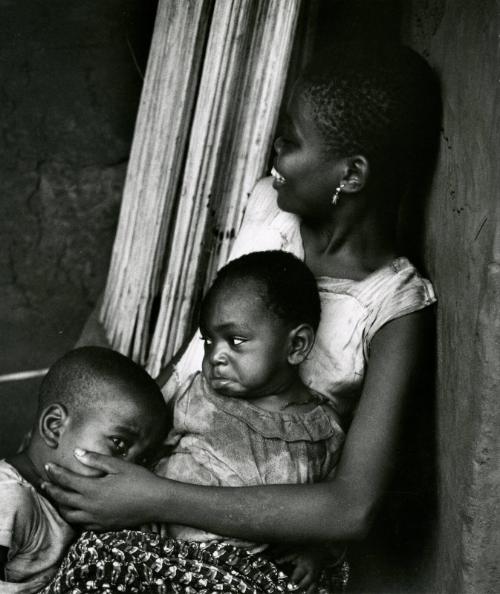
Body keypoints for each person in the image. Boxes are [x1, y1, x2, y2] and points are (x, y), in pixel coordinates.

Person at [41, 43, 440, 590]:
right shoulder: (266, 210)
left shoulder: (395, 306)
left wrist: (151, 497)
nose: (274, 150)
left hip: (256, 545)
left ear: (351, 174)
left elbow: (352, 507)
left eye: (291, 141)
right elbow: (190, 365)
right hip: (171, 482)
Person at [44, 251, 346, 593]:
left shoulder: (323, 432)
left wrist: (315, 552)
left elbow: (328, 516)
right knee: (95, 556)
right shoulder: (198, 395)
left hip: (234, 575)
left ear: (297, 345)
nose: (215, 356)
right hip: (154, 550)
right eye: (209, 340)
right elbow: (146, 451)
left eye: (236, 340)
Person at [0, 347, 167, 593]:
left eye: (142, 460)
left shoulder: (90, 509)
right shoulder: (9, 496)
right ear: (55, 427)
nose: (129, 471)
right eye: (118, 444)